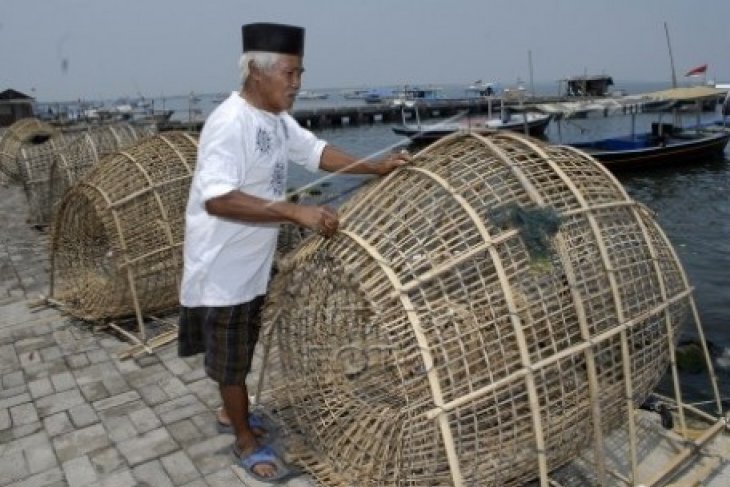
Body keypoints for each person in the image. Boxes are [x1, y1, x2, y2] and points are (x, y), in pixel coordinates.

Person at [177, 22, 409, 482]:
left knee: (241, 350)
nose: (298, 83)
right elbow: (218, 198)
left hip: (252, 263)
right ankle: (244, 438)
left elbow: (317, 152)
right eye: (290, 73)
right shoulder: (230, 123)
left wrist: (376, 167)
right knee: (232, 359)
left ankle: (232, 413)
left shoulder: (277, 121)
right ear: (257, 71)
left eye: (301, 73)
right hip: (222, 268)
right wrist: (295, 213)